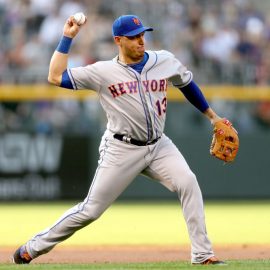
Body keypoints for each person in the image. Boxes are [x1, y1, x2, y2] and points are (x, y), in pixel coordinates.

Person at [13, 14, 226, 265]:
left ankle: (202, 255)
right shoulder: (103, 71)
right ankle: (31, 248)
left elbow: (187, 84)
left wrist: (213, 117)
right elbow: (55, 76)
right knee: (90, 210)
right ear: (118, 40)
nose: (140, 41)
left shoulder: (164, 60)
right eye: (134, 37)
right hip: (121, 148)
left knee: (188, 182)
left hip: (159, 145)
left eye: (142, 35)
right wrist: (67, 38)